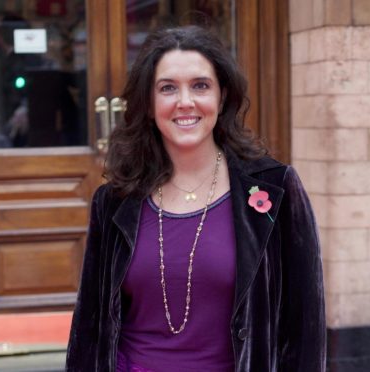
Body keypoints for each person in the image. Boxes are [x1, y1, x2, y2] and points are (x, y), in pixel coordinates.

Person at [66, 25, 325, 372]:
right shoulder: (115, 201)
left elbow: (304, 325)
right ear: (147, 102)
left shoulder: (275, 190)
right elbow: (90, 326)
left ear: (222, 97)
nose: (185, 102)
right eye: (168, 88)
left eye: (200, 86)